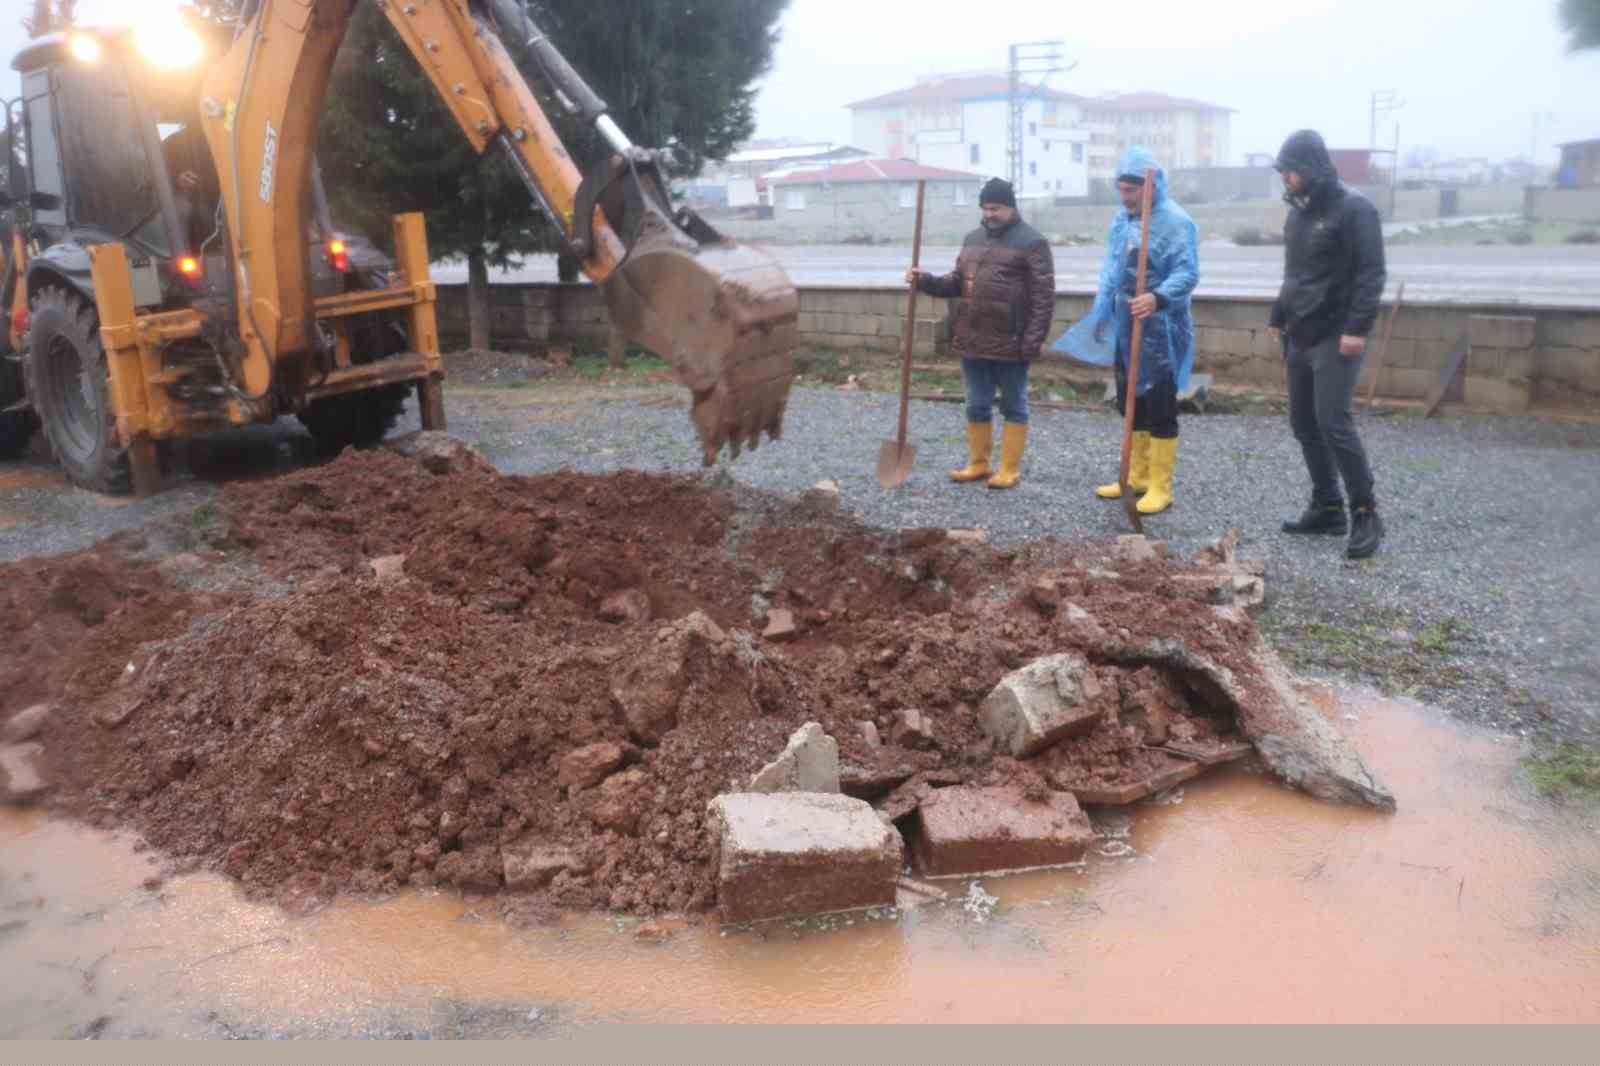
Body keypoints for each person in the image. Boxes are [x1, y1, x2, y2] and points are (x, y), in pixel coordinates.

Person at [1269, 129, 1388, 559]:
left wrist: (1357, 328)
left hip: (1337, 335)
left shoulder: (1355, 210)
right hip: (1300, 332)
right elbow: (1294, 273)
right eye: (1282, 169)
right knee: (1303, 423)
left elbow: (1371, 274)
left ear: (1311, 169)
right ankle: (1327, 507)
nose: (1284, 177)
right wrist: (1278, 315)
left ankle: (1365, 511)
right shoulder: (1298, 213)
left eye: (1290, 170)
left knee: (1333, 423)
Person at [905, 176, 1055, 489]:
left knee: (1014, 405)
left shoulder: (1033, 242)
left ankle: (1009, 469)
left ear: (1011, 207)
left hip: (1011, 341)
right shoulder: (972, 239)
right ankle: (978, 463)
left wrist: (1033, 340)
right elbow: (956, 283)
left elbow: (1044, 297)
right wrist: (925, 281)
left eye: (996, 208)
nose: (989, 214)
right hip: (972, 339)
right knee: (976, 403)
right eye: (985, 208)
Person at [1084, 146, 1198, 515]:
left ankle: (1161, 486)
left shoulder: (1176, 222)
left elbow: (1188, 272)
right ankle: (1136, 476)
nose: (1125, 197)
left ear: (1150, 188)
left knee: (1160, 405)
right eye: (1121, 189)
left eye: (1131, 190)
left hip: (1161, 329)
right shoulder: (1122, 221)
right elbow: (1111, 268)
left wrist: (1157, 297)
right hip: (1125, 324)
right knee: (1130, 402)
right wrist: (1102, 309)